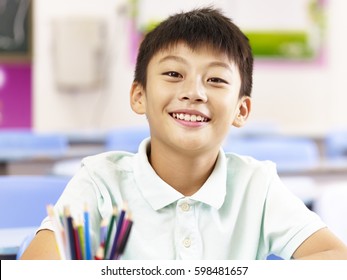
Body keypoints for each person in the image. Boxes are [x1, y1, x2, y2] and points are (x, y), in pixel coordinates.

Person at [21, 6, 347, 260]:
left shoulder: (256, 185)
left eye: (216, 79)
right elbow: (38, 266)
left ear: (241, 110)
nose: (194, 92)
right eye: (174, 73)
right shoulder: (101, 181)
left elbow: (335, 257)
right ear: (139, 96)